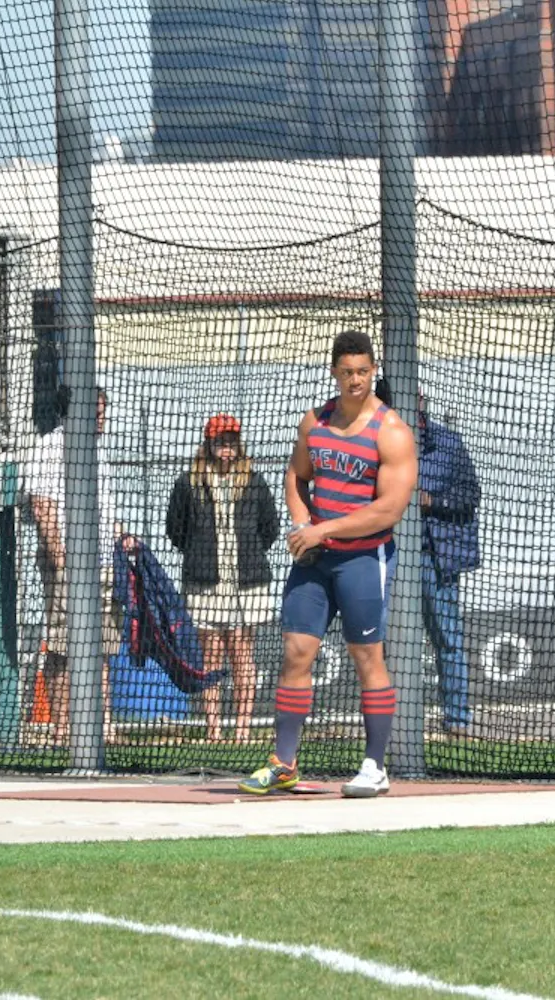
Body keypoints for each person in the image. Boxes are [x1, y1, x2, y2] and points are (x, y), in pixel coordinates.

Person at [239, 330, 417, 798]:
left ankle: (375, 767)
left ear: (373, 370)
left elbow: (389, 509)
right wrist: (302, 525)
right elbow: (297, 477)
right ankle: (283, 764)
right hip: (314, 561)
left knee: (367, 659)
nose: (355, 380)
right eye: (347, 372)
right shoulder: (314, 421)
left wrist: (323, 530)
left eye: (363, 371)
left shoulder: (391, 430)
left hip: (362, 559)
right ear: (334, 372)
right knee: (295, 654)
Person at [165, 412, 280, 741]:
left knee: (243, 653)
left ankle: (243, 727)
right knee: (210, 654)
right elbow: (176, 529)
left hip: (246, 583)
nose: (226, 448)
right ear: (209, 443)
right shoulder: (190, 482)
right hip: (205, 583)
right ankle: (214, 726)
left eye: (231, 441)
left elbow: (269, 528)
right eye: (220, 441)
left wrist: (249, 552)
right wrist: (199, 553)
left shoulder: (253, 480)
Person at [26, 385, 125, 745]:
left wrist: (122, 539)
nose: (101, 418)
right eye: (94, 411)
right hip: (68, 564)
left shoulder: (97, 451)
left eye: (103, 411)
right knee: (61, 647)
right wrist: (62, 563)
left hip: (102, 562)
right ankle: (63, 727)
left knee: (99, 647)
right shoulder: (51, 447)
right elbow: (43, 508)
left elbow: (105, 509)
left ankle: (103, 724)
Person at [418, 400, 481, 738]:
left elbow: (471, 494)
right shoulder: (378, 439)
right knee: (388, 643)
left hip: (434, 555)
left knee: (447, 637)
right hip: (389, 553)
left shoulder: (447, 443)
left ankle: (456, 720)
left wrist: (433, 501)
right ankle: (395, 722)